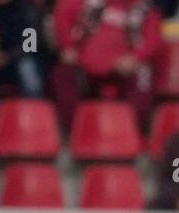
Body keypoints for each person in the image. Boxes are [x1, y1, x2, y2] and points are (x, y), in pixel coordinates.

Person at [50, 0, 164, 132]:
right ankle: (75, 131)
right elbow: (62, 16)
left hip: (126, 67)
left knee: (144, 74)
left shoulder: (145, 9)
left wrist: (135, 58)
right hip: (85, 66)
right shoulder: (84, 3)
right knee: (63, 73)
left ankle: (131, 132)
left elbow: (154, 40)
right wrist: (68, 46)